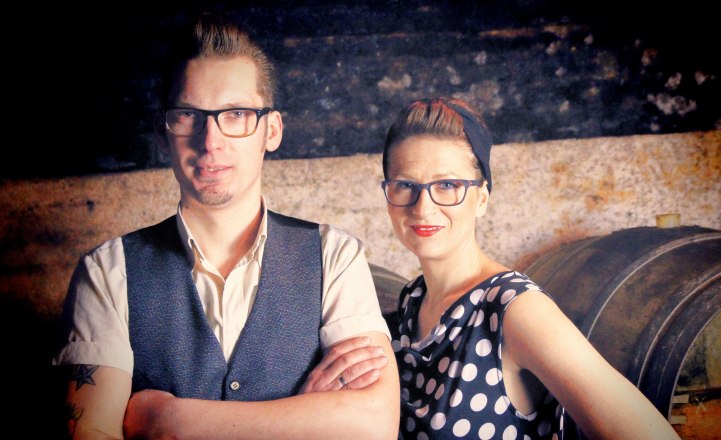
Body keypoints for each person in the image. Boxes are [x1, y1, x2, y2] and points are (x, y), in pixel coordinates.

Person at [53, 15, 399, 439]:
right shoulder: (108, 272)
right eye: (188, 115)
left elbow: (374, 425)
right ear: (164, 135)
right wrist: (305, 417)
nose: (210, 140)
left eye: (236, 114)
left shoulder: (335, 255)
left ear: (270, 130)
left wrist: (167, 422)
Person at [379, 97, 681, 439]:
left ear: (482, 198)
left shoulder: (515, 308)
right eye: (405, 185)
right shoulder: (413, 299)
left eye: (448, 185)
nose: (423, 207)